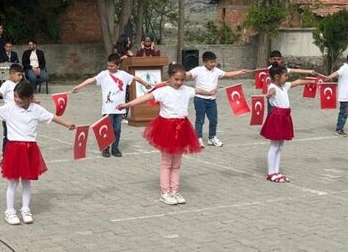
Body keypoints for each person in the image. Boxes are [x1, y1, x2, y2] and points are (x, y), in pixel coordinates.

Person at [0, 80, 75, 225]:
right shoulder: (10, 108)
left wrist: (67, 124)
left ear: (29, 97)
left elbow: (52, 117)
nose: (17, 100)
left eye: (20, 97)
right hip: (14, 148)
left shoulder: (36, 110)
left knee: (27, 181)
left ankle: (25, 209)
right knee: (13, 181)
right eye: (15, 96)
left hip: (30, 149)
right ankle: (9, 211)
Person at [117, 64, 202, 206]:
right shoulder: (163, 91)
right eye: (176, 79)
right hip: (167, 128)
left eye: (182, 80)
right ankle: (165, 192)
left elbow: (201, 90)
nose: (179, 83)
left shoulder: (187, 90)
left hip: (182, 127)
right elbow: (145, 98)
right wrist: (127, 105)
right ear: (169, 78)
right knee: (167, 162)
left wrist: (212, 91)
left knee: (177, 163)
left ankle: (174, 190)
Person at [71, 53, 152, 157]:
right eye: (108, 65)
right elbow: (91, 79)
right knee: (106, 128)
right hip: (108, 108)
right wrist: (79, 86)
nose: (109, 68)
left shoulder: (123, 74)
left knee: (117, 129)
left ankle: (115, 148)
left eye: (112, 66)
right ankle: (105, 148)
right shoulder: (104, 74)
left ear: (118, 65)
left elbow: (135, 78)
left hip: (120, 108)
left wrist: (145, 84)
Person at [186, 51, 250, 148]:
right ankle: (198, 138)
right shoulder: (198, 70)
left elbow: (228, 74)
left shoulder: (216, 71)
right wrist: (178, 74)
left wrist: (240, 72)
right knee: (200, 120)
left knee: (214, 120)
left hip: (212, 100)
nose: (213, 64)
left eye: (214, 62)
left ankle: (212, 138)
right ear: (204, 62)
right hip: (200, 99)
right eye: (211, 62)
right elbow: (188, 74)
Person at [260, 63, 312, 183]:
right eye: (285, 75)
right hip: (277, 117)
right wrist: (269, 94)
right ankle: (270, 172)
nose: (287, 78)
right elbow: (271, 92)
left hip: (285, 117)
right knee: (274, 145)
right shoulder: (272, 86)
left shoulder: (285, 86)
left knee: (280, 146)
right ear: (277, 77)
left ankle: (277, 171)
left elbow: (298, 81)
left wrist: (311, 82)